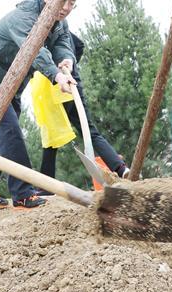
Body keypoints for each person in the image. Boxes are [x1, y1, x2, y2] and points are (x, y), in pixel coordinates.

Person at [0, 0, 79, 210]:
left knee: (1, 134)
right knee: (9, 130)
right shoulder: (24, 17)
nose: (67, 8)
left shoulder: (59, 20)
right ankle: (22, 193)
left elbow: (61, 42)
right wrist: (55, 75)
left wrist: (66, 62)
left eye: (73, 3)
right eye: (65, 1)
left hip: (15, 79)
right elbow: (34, 49)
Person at [38, 30, 130, 188]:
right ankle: (120, 168)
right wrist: (73, 65)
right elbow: (79, 46)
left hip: (54, 87)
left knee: (51, 136)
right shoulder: (63, 33)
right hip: (72, 82)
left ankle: (45, 186)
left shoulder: (49, 33)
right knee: (89, 129)